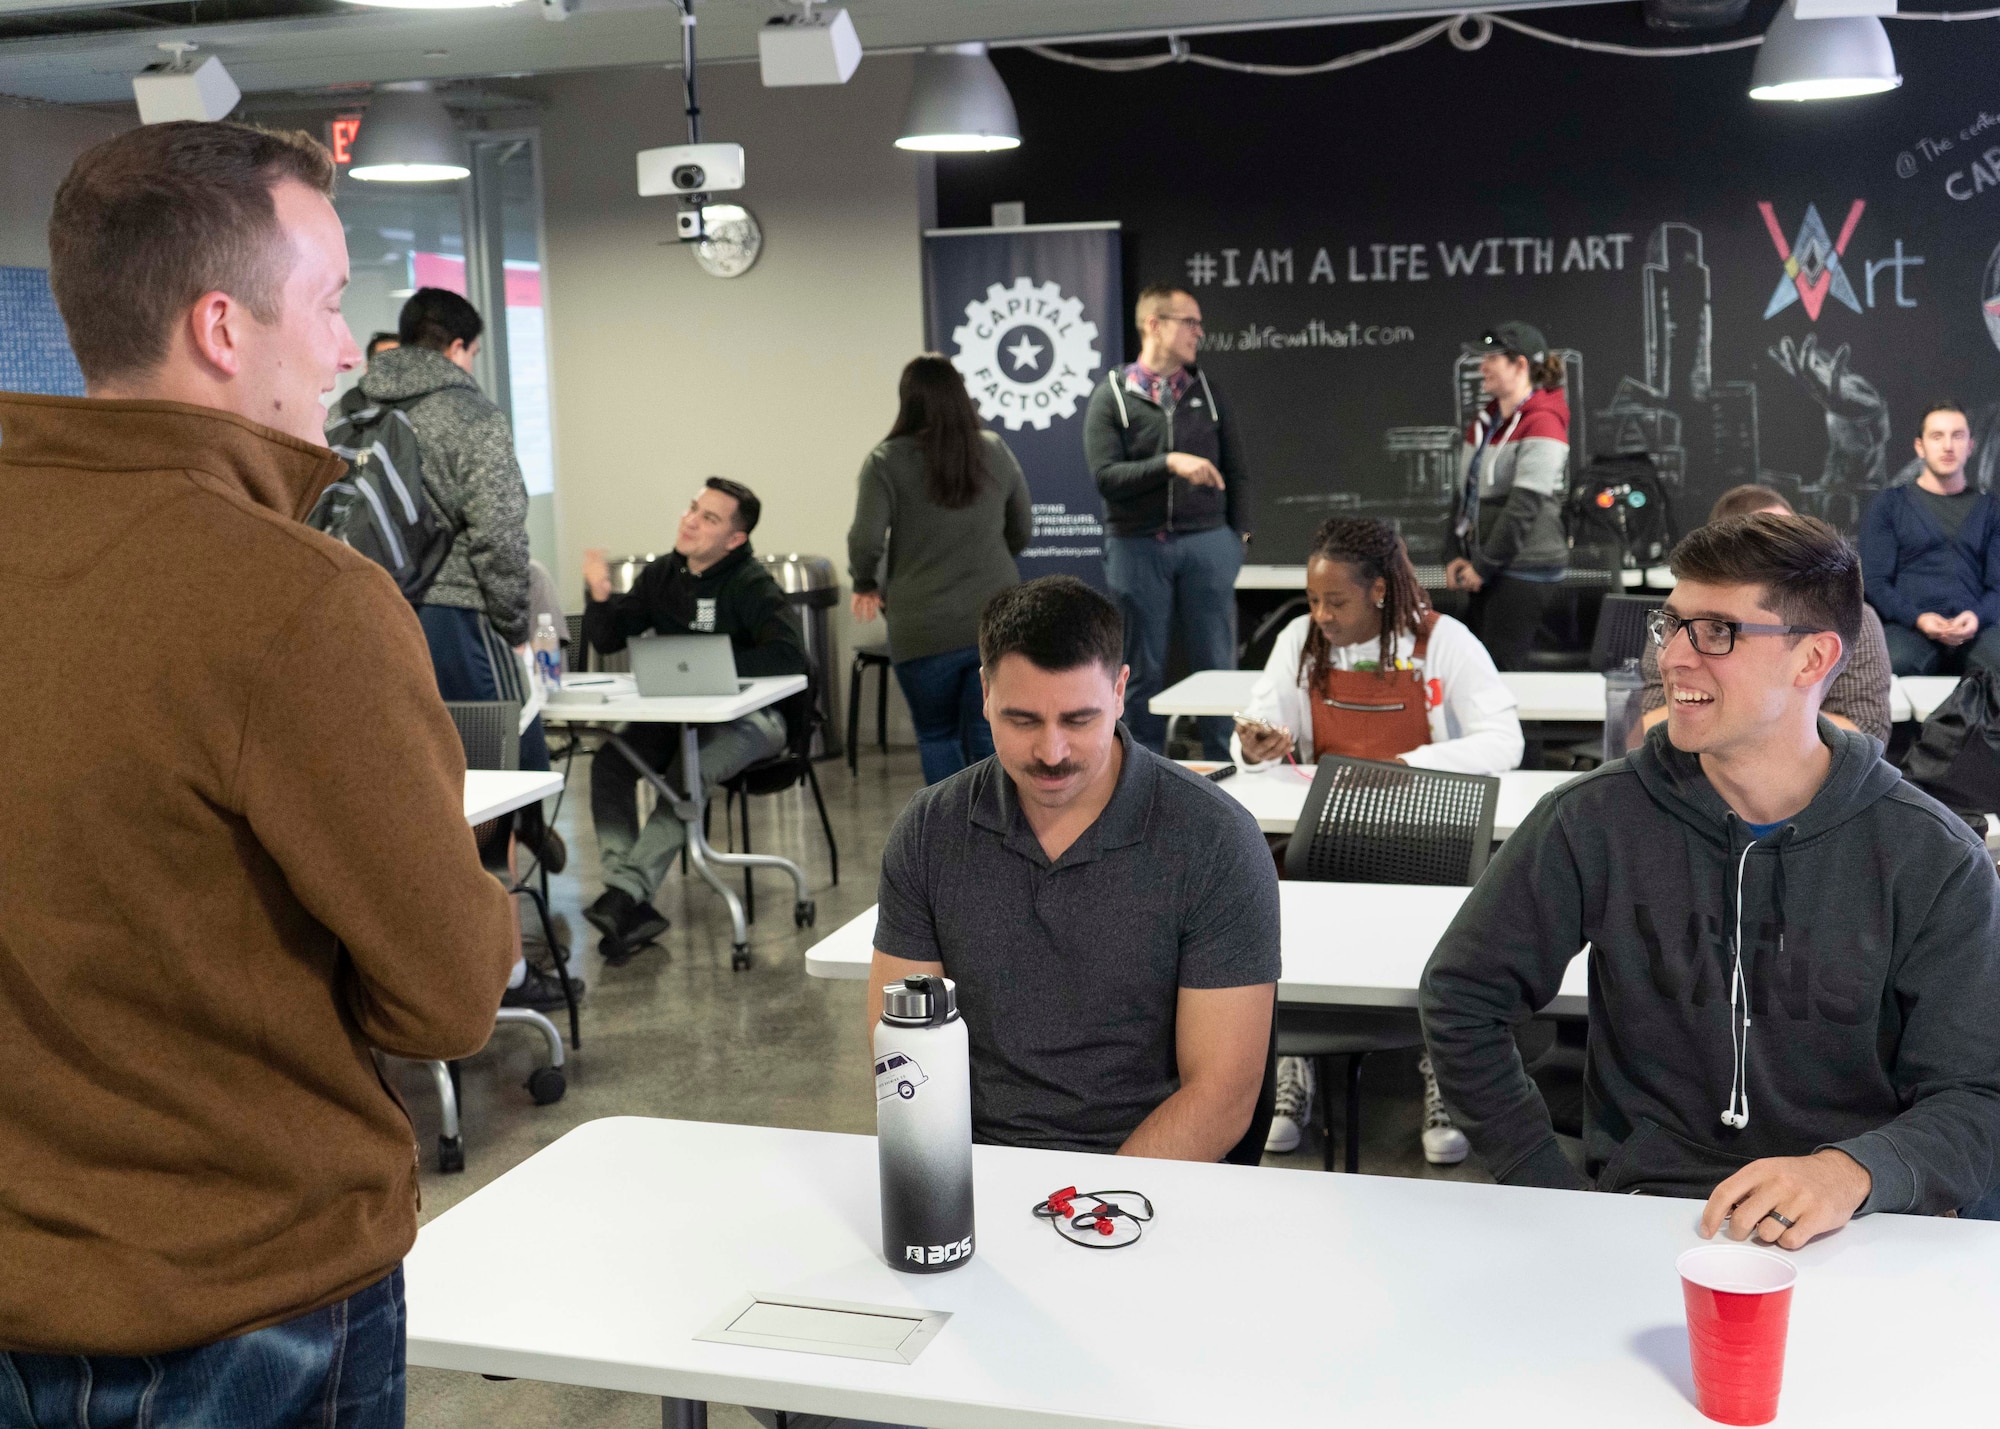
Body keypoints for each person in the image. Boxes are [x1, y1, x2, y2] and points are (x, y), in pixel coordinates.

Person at [2, 119, 515, 1421]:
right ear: (225, 328)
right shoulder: (300, 605)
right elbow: (452, 995)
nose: (350, 347)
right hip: (248, 1305)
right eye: (333, 302)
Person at [1421, 513, 2000, 1241]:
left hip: (1861, 1228)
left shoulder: (1931, 855)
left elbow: (1978, 1095)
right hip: (1650, 1218)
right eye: (1673, 626)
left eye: (1718, 632)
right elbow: (1461, 994)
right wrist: (1546, 1183)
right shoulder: (1593, 818)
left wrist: (1850, 1171)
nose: (1675, 659)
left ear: (1813, 658)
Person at [868, 575, 1279, 1158]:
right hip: (977, 1169)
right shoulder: (930, 829)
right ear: (984, 693)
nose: (1051, 752)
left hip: (1145, 1183)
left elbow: (1222, 1096)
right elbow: (904, 1055)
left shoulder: (1216, 840)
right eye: (1023, 720)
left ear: (1119, 692)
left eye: (1079, 720)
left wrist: (1086, 1206)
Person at [1232, 516, 1523, 1163]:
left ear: (1380, 592)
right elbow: (1259, 722)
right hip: (1327, 833)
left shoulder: (1443, 642)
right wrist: (1253, 745)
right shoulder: (1300, 641)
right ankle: (1292, 1060)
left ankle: (1440, 1064)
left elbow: (1505, 740)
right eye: (1313, 600)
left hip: (1425, 839)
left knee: (1440, 942)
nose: (1321, 615)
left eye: (1335, 601)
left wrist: (1409, 766)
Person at [348, 286, 570, 1008]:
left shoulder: (349, 411)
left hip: (365, 619)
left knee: (408, 795)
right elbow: (502, 532)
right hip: (454, 620)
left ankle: (415, 967)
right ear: (458, 347)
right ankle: (502, 972)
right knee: (491, 799)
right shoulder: (469, 411)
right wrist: (509, 620)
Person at [581, 478, 807, 961]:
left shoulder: (751, 584)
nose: (690, 521)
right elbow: (608, 640)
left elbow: (790, 656)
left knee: (688, 771)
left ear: (735, 539)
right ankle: (626, 897)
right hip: (676, 716)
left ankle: (625, 894)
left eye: (709, 518)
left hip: (755, 721)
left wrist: (715, 668)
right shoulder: (664, 574)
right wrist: (599, 597)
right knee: (610, 765)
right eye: (692, 509)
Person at [847, 354, 1032, 784]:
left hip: (921, 628)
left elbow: (865, 541)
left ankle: (950, 840)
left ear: (907, 400)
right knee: (990, 736)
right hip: (996, 621)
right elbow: (1023, 528)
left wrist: (863, 582)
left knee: (936, 735)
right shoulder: (994, 450)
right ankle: (999, 835)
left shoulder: (885, 461)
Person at [1084, 284, 1250, 759]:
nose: (1199, 332)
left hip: (1207, 544)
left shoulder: (1209, 394)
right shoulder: (1112, 397)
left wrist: (1238, 539)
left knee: (1217, 667)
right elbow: (1106, 476)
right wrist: (1169, 462)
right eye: (1189, 322)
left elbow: (1237, 470)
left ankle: (1226, 770)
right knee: (1141, 670)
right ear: (1154, 324)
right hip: (1137, 546)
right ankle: (1143, 770)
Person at [1639, 485, 1893, 744]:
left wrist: (1759, 713)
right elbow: (1644, 723)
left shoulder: (1852, 619)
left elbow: (1866, 729)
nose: (1671, 658)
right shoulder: (1677, 622)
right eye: (1765, 549)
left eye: (1791, 539)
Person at [1443, 321, 1571, 670]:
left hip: (1524, 572)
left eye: (1492, 358)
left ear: (1520, 365)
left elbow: (1523, 507)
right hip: (1487, 569)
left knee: (1500, 676)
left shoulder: (1544, 421)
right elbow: (1464, 494)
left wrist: (1482, 567)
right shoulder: (1484, 422)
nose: (1482, 366)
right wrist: (1453, 552)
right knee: (1473, 671)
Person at [1859, 400, 2000, 677]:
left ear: (1970, 446)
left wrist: (1976, 617)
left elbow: (1998, 586)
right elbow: (1875, 582)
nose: (1948, 445)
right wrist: (1917, 619)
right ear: (1919, 446)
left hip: (1976, 629)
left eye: (1957, 436)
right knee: (1894, 665)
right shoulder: (1889, 505)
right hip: (1907, 628)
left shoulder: (1991, 510)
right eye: (1937, 436)